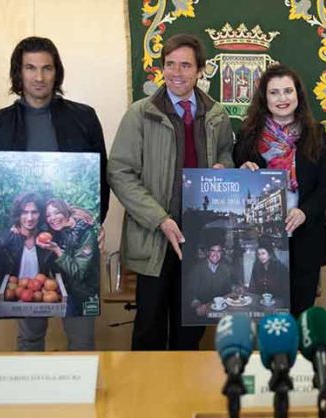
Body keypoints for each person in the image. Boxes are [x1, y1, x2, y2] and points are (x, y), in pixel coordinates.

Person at [0, 36, 109, 351]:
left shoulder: (84, 117)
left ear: (57, 72)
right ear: (18, 73)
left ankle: (80, 401)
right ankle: (30, 399)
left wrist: (94, 224)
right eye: (31, 68)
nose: (39, 77)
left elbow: (102, 176)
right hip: (30, 245)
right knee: (30, 332)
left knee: (81, 336)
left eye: (47, 68)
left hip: (70, 241)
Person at [108, 33, 235, 350]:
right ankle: (149, 400)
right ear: (162, 68)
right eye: (170, 64)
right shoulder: (140, 114)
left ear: (200, 70)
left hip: (201, 237)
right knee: (149, 327)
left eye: (185, 65)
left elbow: (225, 154)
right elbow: (120, 172)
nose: (176, 72)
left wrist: (223, 167)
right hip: (155, 238)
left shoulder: (216, 114)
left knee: (191, 330)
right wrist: (160, 219)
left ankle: (185, 399)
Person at [233, 64, 326, 318]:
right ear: (264, 98)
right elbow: (235, 185)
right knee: (262, 311)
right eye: (274, 92)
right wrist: (241, 170)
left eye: (288, 91)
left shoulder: (317, 135)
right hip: (262, 239)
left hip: (304, 238)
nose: (282, 99)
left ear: (298, 95)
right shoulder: (247, 136)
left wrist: (304, 212)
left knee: (300, 315)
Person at [0, 193, 52, 319]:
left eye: (34, 212)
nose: (29, 218)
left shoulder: (47, 240)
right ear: (18, 215)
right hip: (13, 302)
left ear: (40, 214)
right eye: (24, 212)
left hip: (40, 302)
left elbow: (64, 218)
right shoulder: (4, 240)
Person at [37, 198, 99, 317]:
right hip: (68, 292)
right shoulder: (61, 229)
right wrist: (17, 227)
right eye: (48, 215)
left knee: (81, 332)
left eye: (56, 212)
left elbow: (78, 272)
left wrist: (57, 250)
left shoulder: (86, 234)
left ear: (65, 212)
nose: (52, 218)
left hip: (85, 295)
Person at [184, 241, 236, 322]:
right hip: (202, 315)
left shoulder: (225, 268)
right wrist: (197, 305)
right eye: (213, 250)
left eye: (219, 251)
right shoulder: (197, 269)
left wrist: (235, 287)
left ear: (222, 253)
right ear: (208, 252)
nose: (216, 254)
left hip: (221, 312)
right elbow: (190, 293)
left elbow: (228, 285)